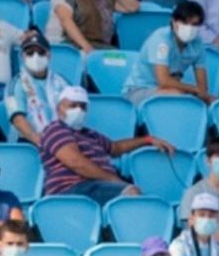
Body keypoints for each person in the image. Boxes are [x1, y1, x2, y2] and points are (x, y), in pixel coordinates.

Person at [39, 86, 172, 201]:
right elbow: (76, 163)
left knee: (147, 198)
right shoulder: (56, 129)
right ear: (58, 109)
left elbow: (115, 148)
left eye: (83, 107)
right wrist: (113, 180)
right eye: (73, 106)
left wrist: (147, 140)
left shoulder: (89, 134)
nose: (79, 110)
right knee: (131, 194)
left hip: (95, 187)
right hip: (72, 189)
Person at [121, 0, 212, 106]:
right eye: (185, 23)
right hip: (138, 91)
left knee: (213, 101)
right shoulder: (161, 39)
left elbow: (202, 87)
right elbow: (164, 81)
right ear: (174, 22)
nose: (190, 28)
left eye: (194, 24)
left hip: (171, 91)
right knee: (177, 96)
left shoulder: (197, 43)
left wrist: (203, 94)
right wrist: (193, 89)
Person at [5, 32, 73, 147]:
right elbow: (18, 120)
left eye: (41, 52)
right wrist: (40, 141)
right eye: (30, 53)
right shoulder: (15, 85)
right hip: (28, 142)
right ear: (22, 56)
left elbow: (75, 110)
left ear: (49, 55)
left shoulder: (62, 82)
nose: (35, 57)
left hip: (61, 139)